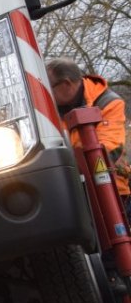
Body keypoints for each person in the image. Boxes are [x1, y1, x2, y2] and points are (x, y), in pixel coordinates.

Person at [45, 56, 130, 203]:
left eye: (48, 87)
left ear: (66, 83)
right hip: (70, 192)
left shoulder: (108, 102)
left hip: (112, 190)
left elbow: (109, 149)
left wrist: (61, 168)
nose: (45, 93)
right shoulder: (47, 110)